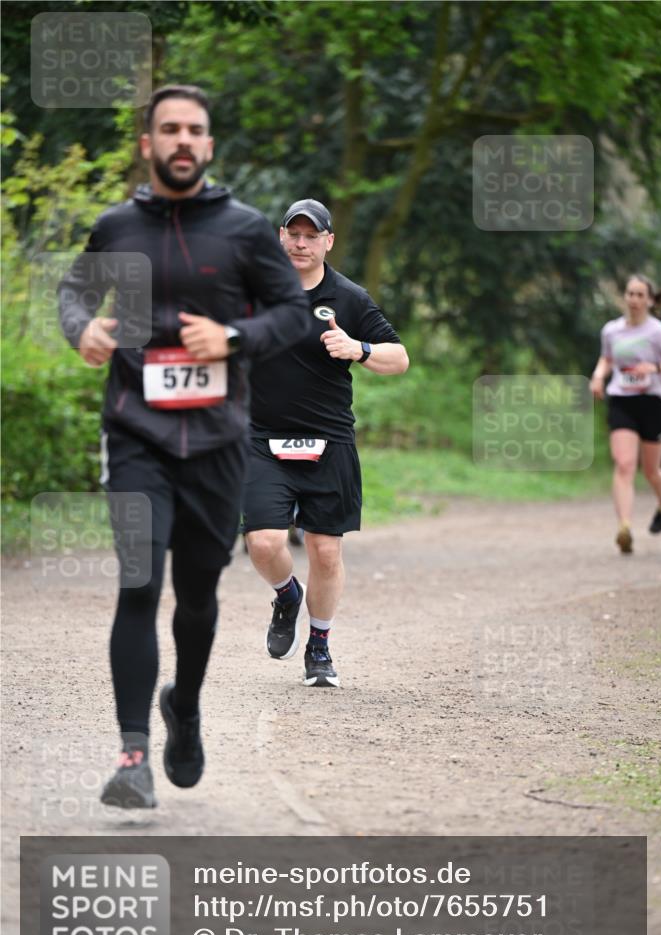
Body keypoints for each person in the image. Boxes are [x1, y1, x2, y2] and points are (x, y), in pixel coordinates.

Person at [58, 85, 309, 808]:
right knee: (139, 584)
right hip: (136, 430)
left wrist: (232, 336)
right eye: (169, 129)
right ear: (148, 143)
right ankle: (132, 754)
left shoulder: (244, 230)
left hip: (219, 440)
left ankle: (185, 706)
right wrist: (82, 328)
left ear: (208, 145)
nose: (182, 140)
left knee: (197, 594)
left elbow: (293, 313)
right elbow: (74, 293)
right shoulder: (117, 227)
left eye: (194, 130)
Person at [243, 199, 409, 687]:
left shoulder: (349, 298)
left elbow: (399, 358)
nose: (301, 243)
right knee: (263, 543)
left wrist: (359, 349)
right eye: (293, 234)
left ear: (328, 242)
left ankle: (319, 647)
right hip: (261, 438)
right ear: (280, 236)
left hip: (328, 441)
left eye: (311, 236)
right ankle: (286, 595)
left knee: (325, 551)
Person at [589, 273, 661, 553]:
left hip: (654, 401)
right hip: (622, 399)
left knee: (651, 471)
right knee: (624, 464)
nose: (634, 299)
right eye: (630, 294)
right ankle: (624, 527)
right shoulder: (612, 330)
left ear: (649, 300)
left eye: (639, 295)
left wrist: (654, 369)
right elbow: (607, 357)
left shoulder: (658, 332)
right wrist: (598, 376)